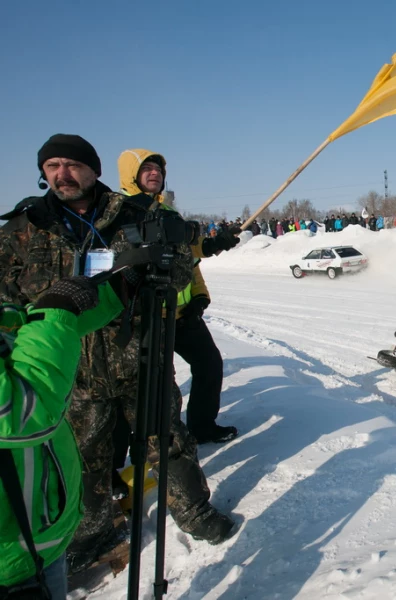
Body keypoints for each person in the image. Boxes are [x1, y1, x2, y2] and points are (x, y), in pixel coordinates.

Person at [0, 135, 236, 575]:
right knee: (85, 456)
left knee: (167, 441)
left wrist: (157, 270)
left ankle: (194, 513)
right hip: (70, 370)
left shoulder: (136, 214)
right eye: (52, 165)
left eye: (72, 165)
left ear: (94, 171)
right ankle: (90, 533)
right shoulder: (22, 227)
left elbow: (182, 262)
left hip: (139, 357)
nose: (62, 174)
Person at [1, 276, 126, 599]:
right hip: (13, 565)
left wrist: (116, 290)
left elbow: (22, 324)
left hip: (34, 536)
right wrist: (57, 309)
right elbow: (23, 414)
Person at [118, 148, 238, 445]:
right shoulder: (120, 212)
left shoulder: (170, 213)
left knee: (209, 364)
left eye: (158, 169)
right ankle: (117, 457)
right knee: (145, 387)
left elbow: (190, 258)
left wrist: (200, 293)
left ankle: (202, 426)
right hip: (142, 318)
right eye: (146, 168)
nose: (155, 173)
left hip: (182, 314)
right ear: (131, 174)